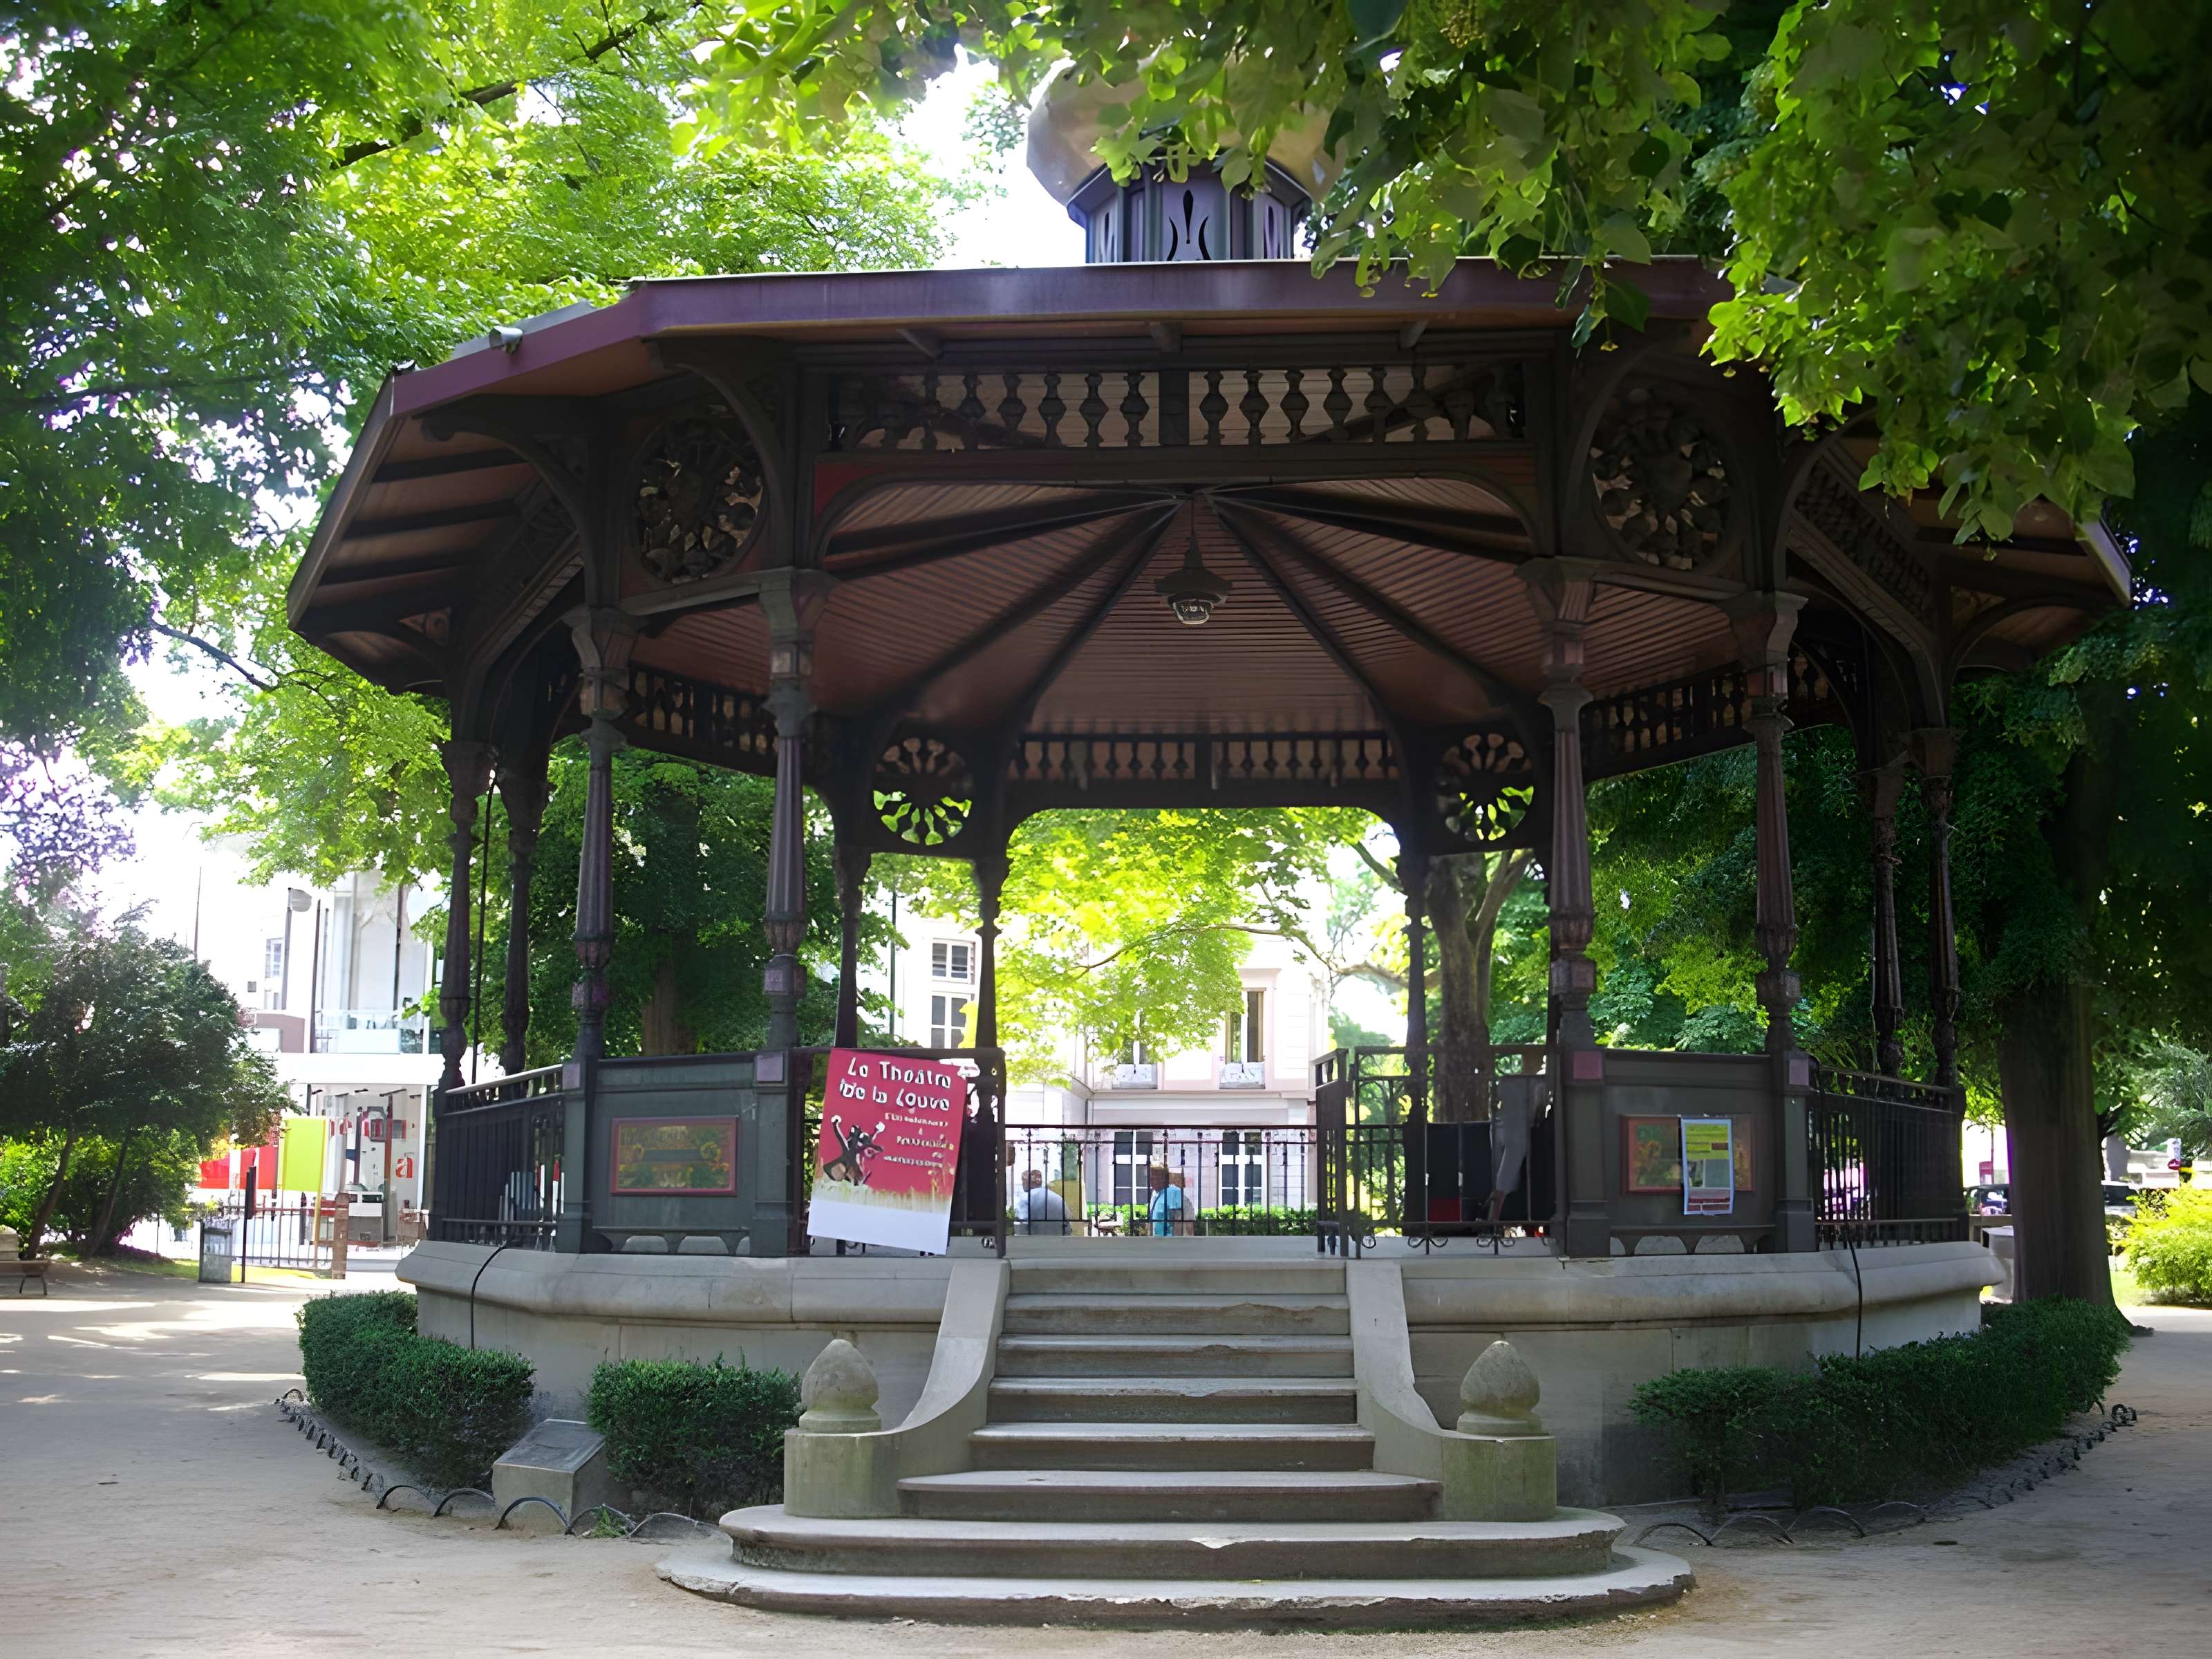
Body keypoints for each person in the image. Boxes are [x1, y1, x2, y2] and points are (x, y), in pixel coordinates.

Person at [1015, 1168, 1070, 1235]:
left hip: (1037, 1242)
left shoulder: (1026, 1198)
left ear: (1027, 1182)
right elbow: (1067, 1225)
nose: (1022, 1185)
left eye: (1023, 1181)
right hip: (1058, 1242)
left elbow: (1023, 1225)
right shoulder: (1058, 1198)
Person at [1147, 1163, 1192, 1236]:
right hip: (1156, 1242)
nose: (1152, 1181)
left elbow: (1179, 1220)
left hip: (1170, 1242)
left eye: (1155, 1178)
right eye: (1151, 1178)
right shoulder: (1155, 1195)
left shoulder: (1175, 1193)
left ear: (1164, 1179)